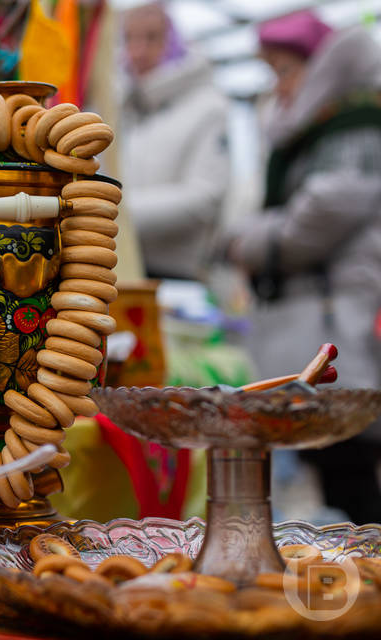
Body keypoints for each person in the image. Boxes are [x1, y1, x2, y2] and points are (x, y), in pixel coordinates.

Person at [222, 11, 381, 523]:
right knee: (331, 462)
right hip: (319, 315)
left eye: (286, 71)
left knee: (348, 462)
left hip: (337, 318)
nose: (280, 88)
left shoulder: (352, 123)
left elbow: (326, 211)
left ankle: (366, 576)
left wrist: (252, 240)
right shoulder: (314, 134)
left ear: (322, 70)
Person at [119, 3, 230, 282]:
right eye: (129, 38)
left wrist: (114, 211)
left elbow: (205, 198)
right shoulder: (123, 105)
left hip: (177, 274)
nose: (138, 51)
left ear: (174, 40)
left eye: (152, 37)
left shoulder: (208, 107)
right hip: (119, 266)